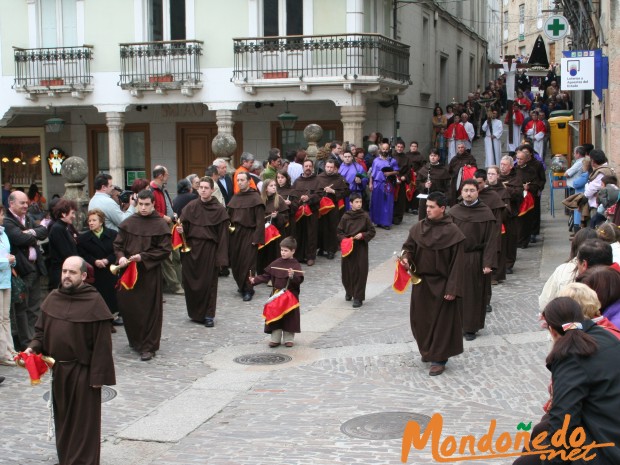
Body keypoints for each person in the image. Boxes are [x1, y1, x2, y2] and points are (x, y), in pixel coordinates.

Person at [25, 256, 115, 465]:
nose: (66, 275)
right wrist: (32, 348)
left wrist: (98, 377)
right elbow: (40, 333)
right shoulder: (53, 298)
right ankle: (66, 458)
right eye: (64, 271)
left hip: (83, 371)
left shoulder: (94, 302)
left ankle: (82, 461)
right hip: (59, 371)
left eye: (72, 272)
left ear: (83, 276)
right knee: (63, 419)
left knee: (84, 422)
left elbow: (102, 346)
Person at [512, 297, 620, 465]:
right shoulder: (605, 336)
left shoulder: (570, 357)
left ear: (552, 331)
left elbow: (563, 419)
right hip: (608, 421)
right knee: (540, 432)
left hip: (603, 445)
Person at [400, 191, 465, 376]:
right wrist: (406, 258)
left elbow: (457, 264)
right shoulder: (418, 228)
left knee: (442, 323)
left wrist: (453, 288)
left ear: (442, 209)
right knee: (420, 320)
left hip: (443, 284)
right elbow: (408, 247)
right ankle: (427, 350)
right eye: (426, 206)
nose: (427, 210)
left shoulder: (454, 232)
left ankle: (439, 358)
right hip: (422, 282)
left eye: (431, 207)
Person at [114, 189, 172, 361]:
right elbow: (118, 245)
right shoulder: (129, 222)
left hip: (149, 274)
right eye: (141, 204)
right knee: (129, 308)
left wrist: (143, 257)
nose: (144, 208)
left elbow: (164, 250)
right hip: (129, 273)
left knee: (149, 310)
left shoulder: (160, 224)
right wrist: (121, 257)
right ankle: (136, 340)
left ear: (153, 204)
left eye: (147, 205)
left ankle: (148, 346)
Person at [449, 179, 497, 341]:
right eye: (465, 190)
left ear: (478, 192)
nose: (468, 194)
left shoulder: (485, 213)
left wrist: (488, 262)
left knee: (473, 294)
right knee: (455, 291)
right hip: (456, 257)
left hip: (476, 258)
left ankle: (470, 327)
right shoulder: (454, 211)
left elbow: (491, 240)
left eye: (472, 190)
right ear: (461, 192)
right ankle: (456, 324)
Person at [178, 177, 229, 327]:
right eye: (201, 187)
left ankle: (208, 315)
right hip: (191, 250)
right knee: (191, 283)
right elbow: (183, 229)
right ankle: (195, 313)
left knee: (209, 284)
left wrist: (222, 259)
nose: (203, 190)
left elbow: (223, 237)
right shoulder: (191, 206)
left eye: (206, 187)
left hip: (209, 250)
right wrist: (181, 230)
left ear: (212, 190)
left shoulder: (219, 210)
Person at [4, 191, 48, 350]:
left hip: (35, 267)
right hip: (21, 270)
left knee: (35, 306)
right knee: (22, 308)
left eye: (26, 202)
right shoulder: (8, 222)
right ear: (11, 204)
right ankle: (26, 343)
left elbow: (44, 231)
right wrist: (33, 234)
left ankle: (35, 340)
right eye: (21, 203)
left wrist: (30, 232)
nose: (25, 205)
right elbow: (19, 239)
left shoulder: (27, 218)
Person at [249, 237, 303, 348]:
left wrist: (292, 276)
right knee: (275, 315)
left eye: (286, 250)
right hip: (276, 295)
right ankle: (275, 338)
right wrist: (255, 280)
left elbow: (299, 280)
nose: (283, 253)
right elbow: (266, 276)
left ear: (293, 251)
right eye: (282, 250)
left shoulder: (295, 264)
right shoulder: (277, 262)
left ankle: (289, 338)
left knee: (289, 317)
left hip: (290, 296)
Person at [228, 171, 265, 302]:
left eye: (242, 180)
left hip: (249, 234)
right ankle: (241, 284)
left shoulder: (255, 198)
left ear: (249, 181)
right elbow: (229, 217)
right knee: (236, 262)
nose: (239, 182)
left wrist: (257, 238)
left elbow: (260, 221)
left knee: (248, 263)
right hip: (235, 234)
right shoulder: (235, 198)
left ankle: (249, 289)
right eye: (238, 180)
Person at [77, 209, 120, 321]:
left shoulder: (113, 234)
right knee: (97, 296)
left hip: (109, 270)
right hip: (94, 272)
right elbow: (82, 254)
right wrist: (94, 261)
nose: (91, 223)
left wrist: (107, 260)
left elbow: (116, 251)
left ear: (101, 222)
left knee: (110, 295)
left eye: (94, 220)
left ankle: (111, 318)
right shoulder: (83, 238)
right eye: (89, 220)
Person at [337, 193, 376, 308]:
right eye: (356, 202)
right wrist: (346, 240)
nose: (359, 204)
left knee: (360, 271)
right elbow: (339, 232)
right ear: (351, 203)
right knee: (347, 271)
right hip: (348, 247)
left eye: (360, 202)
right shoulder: (345, 216)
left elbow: (372, 231)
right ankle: (349, 290)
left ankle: (358, 297)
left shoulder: (365, 216)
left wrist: (363, 235)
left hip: (360, 248)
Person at [149, 165, 183, 295]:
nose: (168, 176)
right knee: (167, 258)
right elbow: (151, 209)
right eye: (166, 174)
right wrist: (164, 217)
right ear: (160, 176)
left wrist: (173, 213)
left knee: (176, 256)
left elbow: (167, 204)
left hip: (170, 225)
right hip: (161, 227)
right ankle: (175, 286)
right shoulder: (152, 190)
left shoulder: (163, 189)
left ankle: (180, 282)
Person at [317, 159, 350, 259]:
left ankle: (331, 250)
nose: (329, 169)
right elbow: (314, 191)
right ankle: (322, 248)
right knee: (321, 227)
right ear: (325, 167)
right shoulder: (319, 177)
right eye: (327, 167)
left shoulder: (339, 178)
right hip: (321, 206)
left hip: (334, 207)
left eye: (331, 167)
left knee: (332, 227)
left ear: (335, 168)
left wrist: (333, 191)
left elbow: (346, 192)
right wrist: (322, 192)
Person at [514, 146, 546, 248]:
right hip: (518, 198)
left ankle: (531, 235)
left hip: (530, 197)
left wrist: (530, 187)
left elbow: (538, 181)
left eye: (520, 159)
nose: (518, 161)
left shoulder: (533, 169)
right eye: (517, 159)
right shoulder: (514, 170)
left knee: (529, 219)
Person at [258, 178, 289, 274]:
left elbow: (286, 217)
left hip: (276, 233)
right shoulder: (260, 200)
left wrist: (277, 216)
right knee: (263, 253)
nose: (274, 187)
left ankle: (273, 274)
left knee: (274, 254)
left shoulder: (279, 199)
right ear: (266, 188)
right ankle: (262, 273)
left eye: (275, 185)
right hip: (263, 232)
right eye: (271, 186)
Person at [292, 159, 320, 266]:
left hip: (311, 211)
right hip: (299, 212)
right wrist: (300, 198)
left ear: (312, 168)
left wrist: (309, 197)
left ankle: (310, 256)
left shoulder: (317, 180)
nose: (308, 168)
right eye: (306, 166)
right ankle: (298, 255)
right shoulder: (297, 181)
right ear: (303, 167)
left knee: (311, 234)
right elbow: (293, 194)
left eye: (310, 166)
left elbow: (319, 194)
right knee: (298, 233)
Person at [47, 199, 79, 290]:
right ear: (64, 214)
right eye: (72, 213)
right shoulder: (58, 228)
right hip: (61, 273)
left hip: (64, 271)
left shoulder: (64, 227)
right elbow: (66, 252)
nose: (74, 216)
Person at [369, 142, 399, 229]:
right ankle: (377, 221)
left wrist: (390, 173)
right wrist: (370, 183)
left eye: (386, 149)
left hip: (388, 184)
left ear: (389, 149)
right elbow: (372, 174)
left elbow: (397, 171)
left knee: (387, 204)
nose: (385, 151)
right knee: (377, 202)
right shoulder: (375, 160)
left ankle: (386, 223)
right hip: (377, 184)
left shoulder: (392, 161)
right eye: (383, 149)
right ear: (380, 150)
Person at [0, 206, 16, 366]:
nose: (3, 216)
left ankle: (10, 350)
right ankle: (3, 353)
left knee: (6, 318)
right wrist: (7, 261)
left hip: (6, 279)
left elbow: (8, 254)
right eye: (1, 214)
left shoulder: (3, 233)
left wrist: (12, 260)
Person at [416, 149, 450, 221]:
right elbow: (417, 183)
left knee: (437, 219)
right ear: (429, 157)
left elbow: (447, 187)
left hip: (438, 199)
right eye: (431, 155)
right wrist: (424, 185)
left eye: (435, 156)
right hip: (425, 198)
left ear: (438, 157)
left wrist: (445, 198)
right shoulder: (424, 169)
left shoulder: (443, 170)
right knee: (423, 219)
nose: (433, 157)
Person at [391, 140, 412, 225]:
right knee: (391, 199)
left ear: (403, 148)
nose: (399, 149)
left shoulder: (407, 158)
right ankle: (390, 216)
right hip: (392, 181)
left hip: (402, 181)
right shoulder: (391, 157)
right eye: (398, 147)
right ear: (395, 147)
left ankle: (398, 218)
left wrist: (405, 177)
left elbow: (409, 171)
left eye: (401, 147)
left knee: (400, 200)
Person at [276, 170, 299, 238]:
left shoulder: (292, 191)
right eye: (278, 177)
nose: (280, 179)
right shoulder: (274, 190)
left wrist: (290, 203)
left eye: (282, 177)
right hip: (276, 219)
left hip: (288, 220)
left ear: (286, 178)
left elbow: (296, 205)